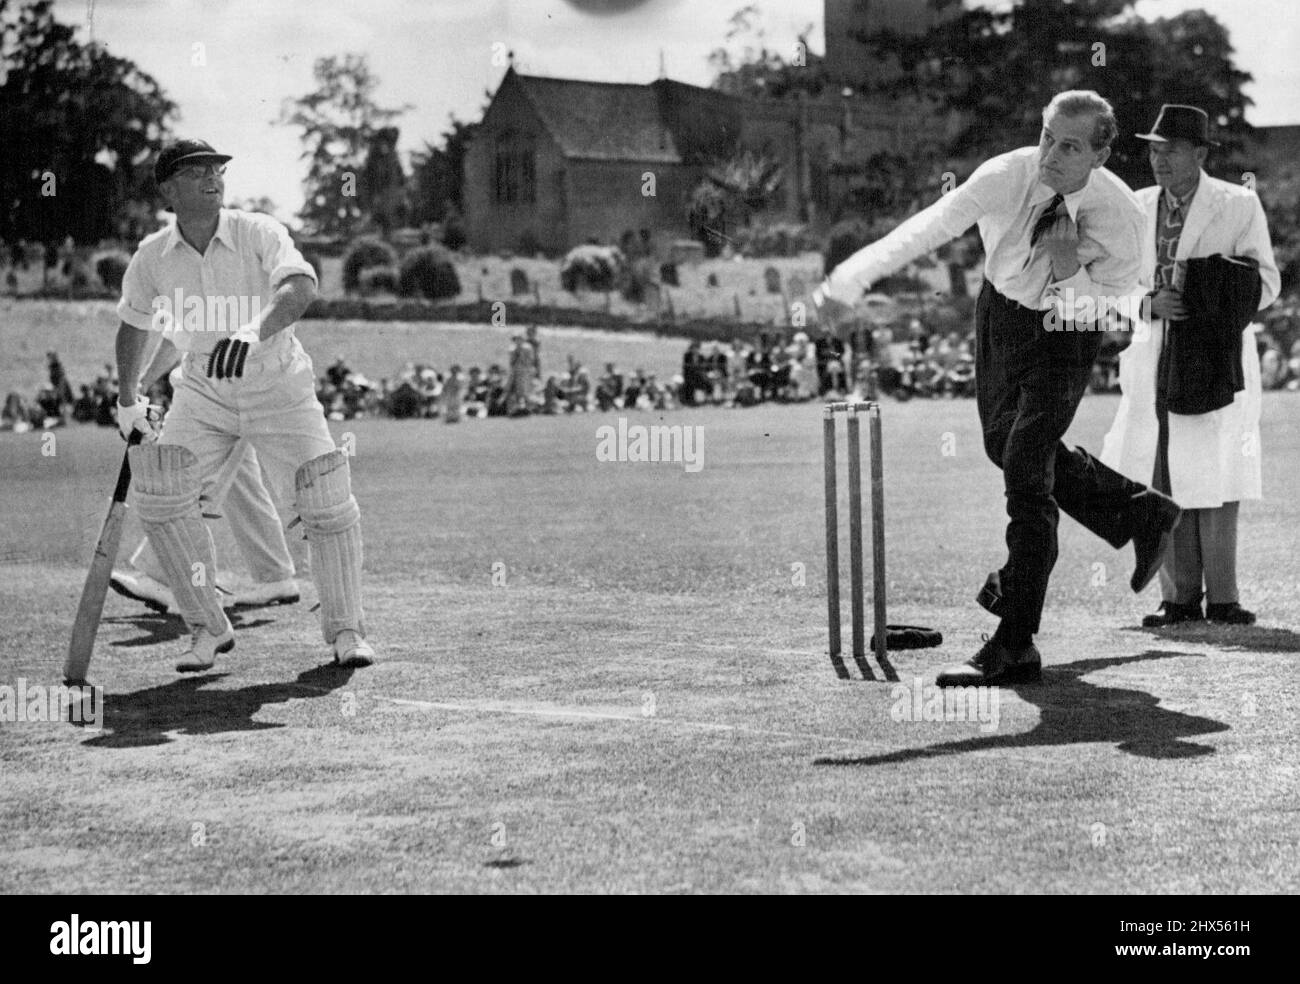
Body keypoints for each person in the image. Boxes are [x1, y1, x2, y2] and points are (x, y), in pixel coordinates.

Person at [814, 90, 1181, 687]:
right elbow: (928, 228)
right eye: (1047, 137)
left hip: (1069, 328)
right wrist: (846, 282)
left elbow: (1108, 306)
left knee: (1026, 471)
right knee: (1001, 448)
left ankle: (1015, 643)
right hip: (1001, 314)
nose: (1050, 156)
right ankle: (1140, 510)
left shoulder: (1120, 216)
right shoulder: (1005, 176)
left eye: (1070, 147)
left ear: (1101, 155)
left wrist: (1067, 266)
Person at [112, 138, 374, 672]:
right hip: (203, 390)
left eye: (217, 170)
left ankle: (347, 630)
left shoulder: (258, 231)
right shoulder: (152, 256)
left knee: (324, 498)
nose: (213, 178)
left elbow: (300, 286)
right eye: (196, 172)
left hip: (277, 382)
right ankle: (206, 627)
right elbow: (134, 325)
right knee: (162, 495)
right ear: (168, 190)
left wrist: (254, 330)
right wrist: (126, 399)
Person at [1100, 105, 1280, 627]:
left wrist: (1207, 298)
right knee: (1162, 466)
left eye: (1172, 150)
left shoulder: (1238, 203)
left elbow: (1266, 282)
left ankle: (1223, 597)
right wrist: (1146, 302)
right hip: (1154, 348)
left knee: (1217, 465)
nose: (1160, 160)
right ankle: (1177, 598)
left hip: (1214, 350)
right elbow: (1112, 280)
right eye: (1154, 150)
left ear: (1200, 154)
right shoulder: (1135, 206)